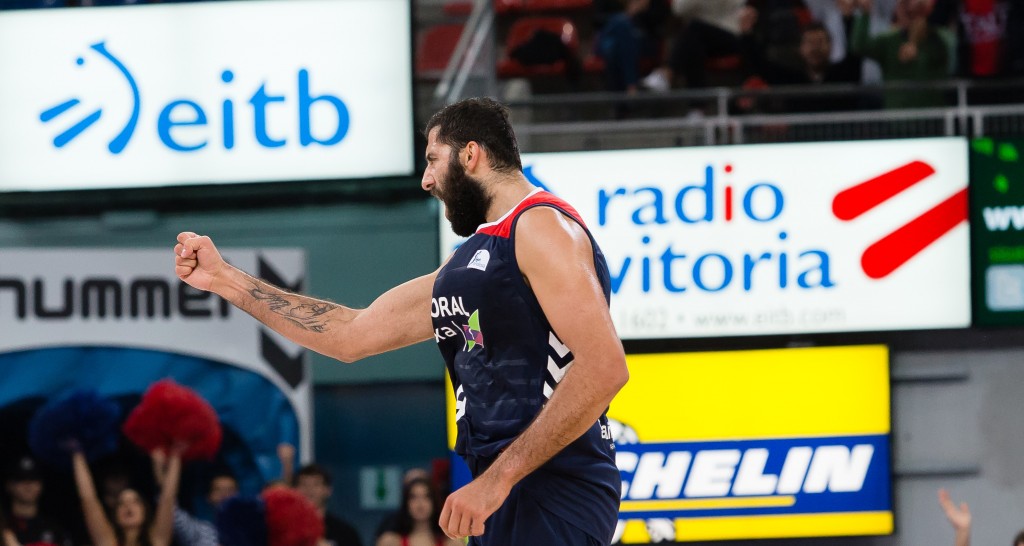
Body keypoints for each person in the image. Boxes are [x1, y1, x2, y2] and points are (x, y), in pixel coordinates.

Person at [173, 96, 629, 545]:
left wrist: (497, 482)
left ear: (471, 154)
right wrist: (226, 280)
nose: (427, 180)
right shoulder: (467, 264)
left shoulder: (541, 226)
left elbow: (604, 367)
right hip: (503, 495)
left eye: (433, 160)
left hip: (553, 491)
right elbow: (348, 336)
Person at [71, 447, 180, 546]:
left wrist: (176, 452)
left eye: (135, 501)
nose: (128, 506)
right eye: (121, 503)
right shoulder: (108, 543)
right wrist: (77, 453)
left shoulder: (157, 541)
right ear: (115, 516)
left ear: (145, 511)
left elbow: (168, 498)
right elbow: (89, 500)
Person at [4, 456, 70, 546]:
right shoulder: (4, 525)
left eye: (33, 479)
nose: (28, 485)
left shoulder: (55, 529)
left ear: (41, 484)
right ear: (9, 485)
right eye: (21, 479)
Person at [376, 478, 460, 546]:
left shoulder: (452, 543)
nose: (420, 503)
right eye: (413, 497)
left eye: (426, 497)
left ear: (434, 502)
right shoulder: (390, 542)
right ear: (406, 503)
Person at [293, 464, 362, 546]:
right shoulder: (286, 531)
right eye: (304, 485)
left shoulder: (344, 532)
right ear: (295, 490)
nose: (309, 490)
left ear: (328, 490)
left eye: (316, 485)